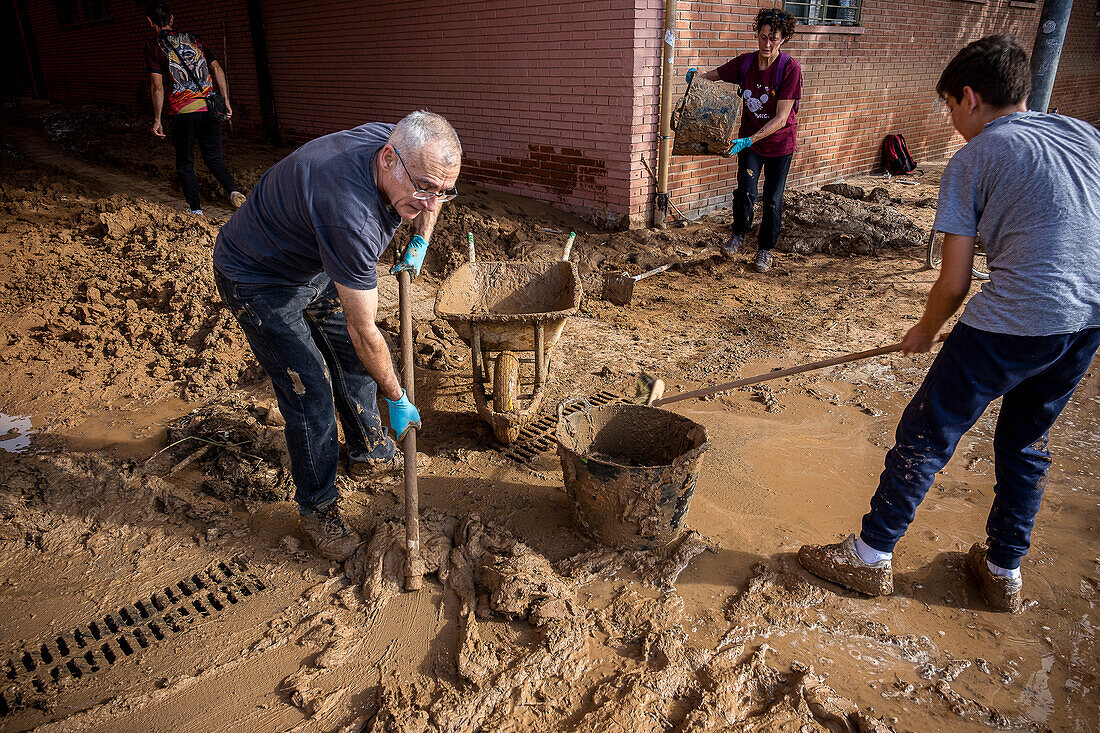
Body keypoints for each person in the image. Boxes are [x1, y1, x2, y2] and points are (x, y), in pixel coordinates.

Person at [797, 35, 1100, 613]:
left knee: (927, 430)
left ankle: (868, 557)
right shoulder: (1084, 135)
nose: (952, 120)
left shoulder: (975, 156)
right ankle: (1002, 570)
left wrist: (925, 328)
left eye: (948, 107)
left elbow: (955, 284)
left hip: (1017, 316)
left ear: (969, 98)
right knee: (1027, 442)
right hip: (1088, 319)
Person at [213, 111, 461, 560]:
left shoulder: (405, 149)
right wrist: (397, 397)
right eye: (423, 188)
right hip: (256, 276)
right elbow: (365, 330)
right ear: (388, 160)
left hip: (311, 261)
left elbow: (435, 184)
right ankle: (318, 509)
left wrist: (421, 239)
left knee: (349, 358)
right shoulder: (352, 216)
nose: (431, 202)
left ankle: (367, 448)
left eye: (442, 191)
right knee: (310, 389)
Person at [687, 7, 802, 272]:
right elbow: (715, 76)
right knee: (745, 191)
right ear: (757, 35)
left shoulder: (789, 68)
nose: (767, 43)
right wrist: (697, 78)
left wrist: (749, 140)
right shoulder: (746, 63)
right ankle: (738, 234)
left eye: (774, 39)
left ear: (783, 39)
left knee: (773, 198)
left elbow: (782, 118)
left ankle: (765, 250)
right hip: (750, 144)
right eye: (763, 37)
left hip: (779, 144)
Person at [144, 1, 246, 215]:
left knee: (185, 163)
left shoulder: (153, 47)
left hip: (182, 113)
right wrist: (225, 99)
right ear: (172, 19)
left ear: (150, 22)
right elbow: (216, 68)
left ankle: (196, 210)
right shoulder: (195, 39)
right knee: (214, 159)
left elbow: (157, 86)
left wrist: (157, 118)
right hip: (209, 109)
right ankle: (233, 191)